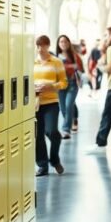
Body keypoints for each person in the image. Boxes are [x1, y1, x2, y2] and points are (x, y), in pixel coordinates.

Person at [33, 35, 69, 176]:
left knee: (52, 132)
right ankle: (42, 165)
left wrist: (51, 86)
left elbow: (64, 82)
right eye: (37, 46)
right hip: (35, 104)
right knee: (38, 135)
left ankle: (54, 159)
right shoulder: (32, 62)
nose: (39, 49)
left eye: (42, 46)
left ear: (48, 46)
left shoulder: (56, 62)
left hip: (51, 103)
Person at [55, 35, 84, 139]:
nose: (63, 44)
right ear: (58, 44)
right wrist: (70, 66)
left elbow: (81, 68)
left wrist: (72, 67)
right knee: (63, 108)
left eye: (65, 42)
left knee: (68, 105)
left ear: (69, 43)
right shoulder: (55, 57)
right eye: (61, 42)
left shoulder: (75, 56)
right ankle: (73, 119)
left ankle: (65, 129)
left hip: (72, 84)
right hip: (60, 86)